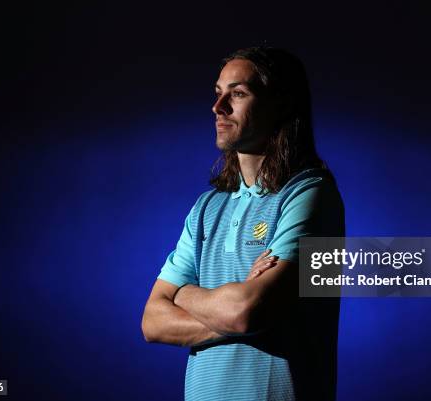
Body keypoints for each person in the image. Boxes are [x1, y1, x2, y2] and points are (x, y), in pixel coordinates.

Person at [141, 46, 345, 401]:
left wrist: (184, 294)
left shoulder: (312, 194)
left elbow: (246, 312)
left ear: (280, 103)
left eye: (237, 94)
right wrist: (234, 308)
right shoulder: (206, 208)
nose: (218, 107)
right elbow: (152, 322)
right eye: (218, 94)